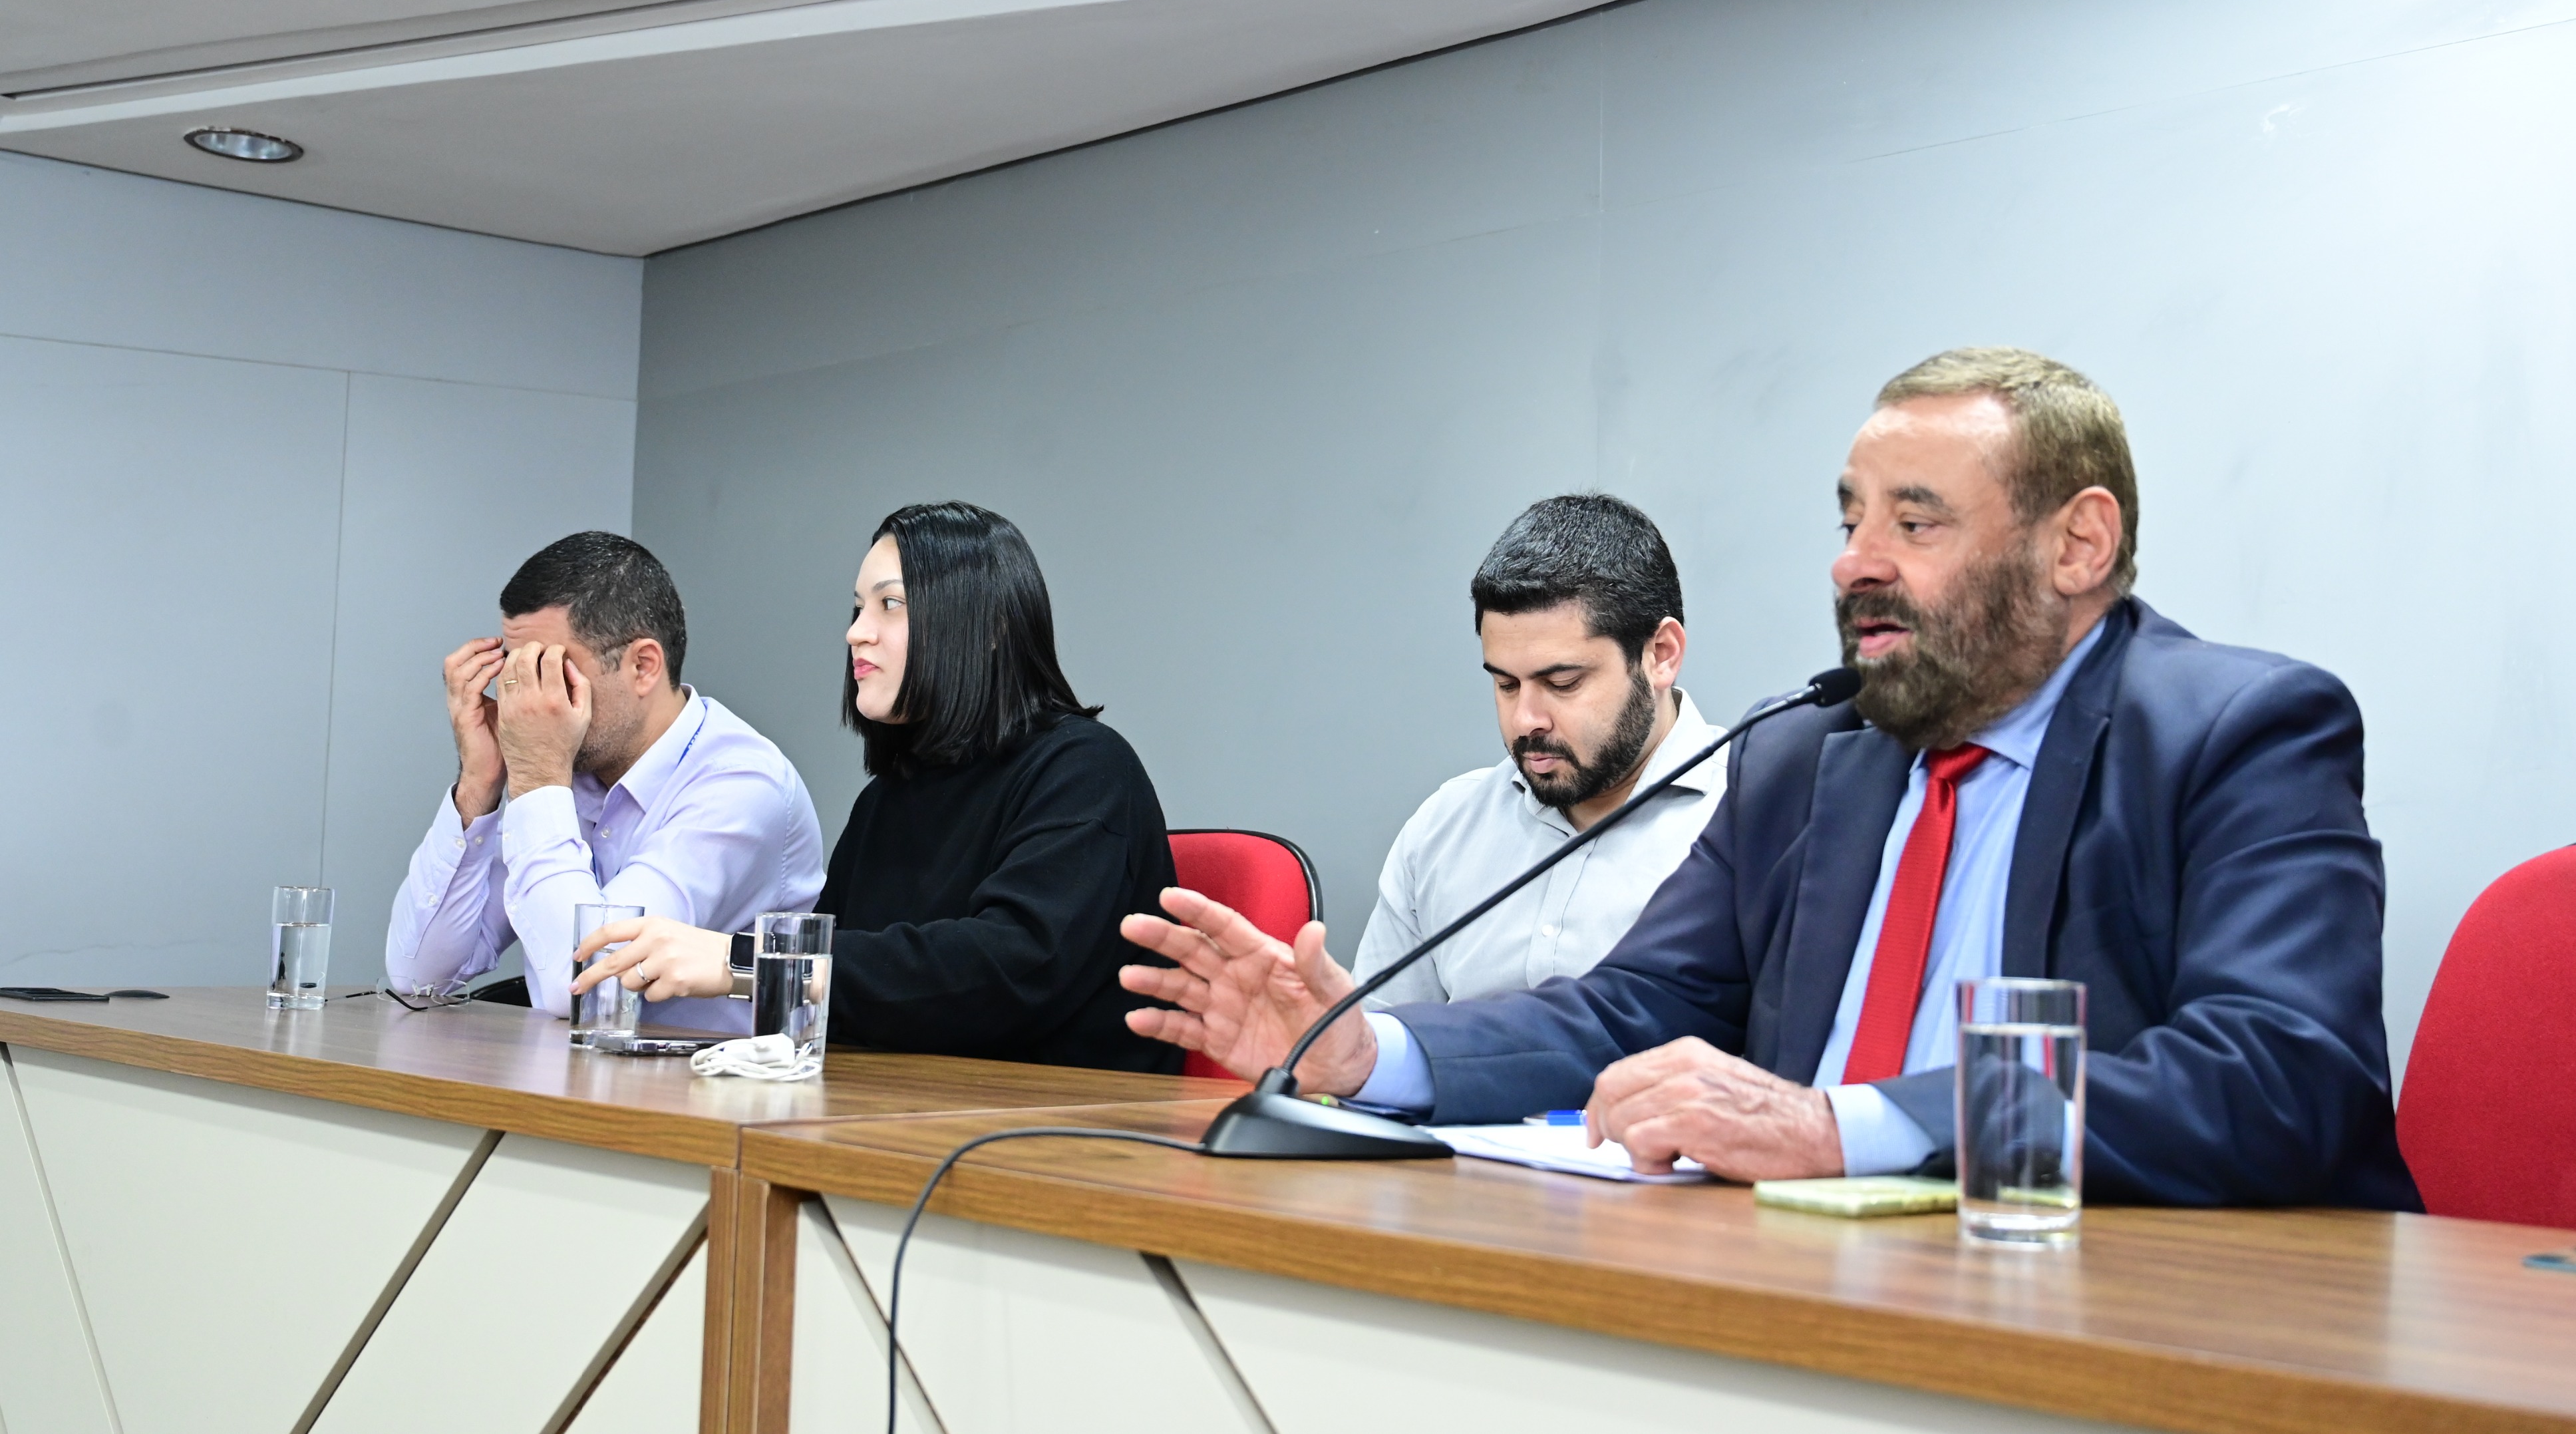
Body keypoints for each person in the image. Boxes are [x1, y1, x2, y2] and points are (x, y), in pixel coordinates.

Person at [1124, 349, 2418, 1208]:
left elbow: (2279, 1070)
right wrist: (1368, 1051)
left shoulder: (2236, 728)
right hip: (1791, 1270)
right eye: (1848, 518)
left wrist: (1849, 1126)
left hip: (2119, 1295)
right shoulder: (1807, 750)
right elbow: (1635, 1004)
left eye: (1914, 520)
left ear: (2077, 543)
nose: (1856, 560)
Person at [573, 502, 1183, 1073]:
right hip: (894, 1106)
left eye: (890, 604)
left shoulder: (1085, 769)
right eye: (858, 608)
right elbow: (843, 986)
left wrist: (740, 961)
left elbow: (1011, 969)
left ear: (992, 626)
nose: (857, 633)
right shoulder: (888, 798)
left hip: (1059, 1123)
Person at [387, 531, 826, 1033]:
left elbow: (588, 986)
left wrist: (537, 777)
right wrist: (479, 783)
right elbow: (419, 972)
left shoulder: (742, 785)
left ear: (643, 666)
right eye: (516, 671)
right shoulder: (570, 768)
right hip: (575, 1074)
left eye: (551, 671)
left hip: (709, 1078)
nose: (525, 701)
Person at [1353, 495, 1724, 1005]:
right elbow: (1375, 1042)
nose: (1525, 719)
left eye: (1562, 682)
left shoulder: (1753, 820)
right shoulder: (1443, 829)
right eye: (1506, 684)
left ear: (1660, 655)